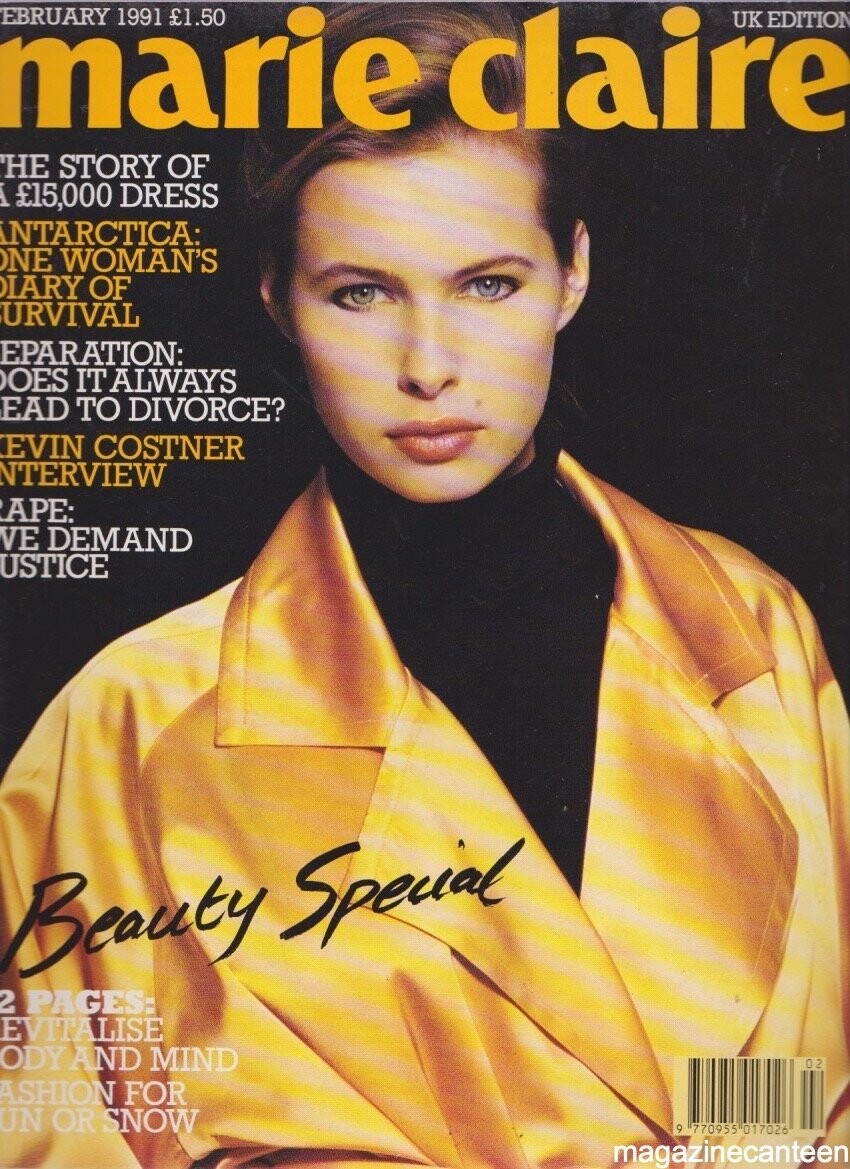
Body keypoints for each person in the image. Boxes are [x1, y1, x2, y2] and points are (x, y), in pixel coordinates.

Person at [1, 6, 848, 1167]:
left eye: (487, 284)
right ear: (276, 299)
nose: (429, 365)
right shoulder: (129, 721)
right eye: (361, 292)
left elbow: (817, 1086)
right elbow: (47, 1132)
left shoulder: (751, 628)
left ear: (571, 273)